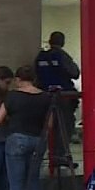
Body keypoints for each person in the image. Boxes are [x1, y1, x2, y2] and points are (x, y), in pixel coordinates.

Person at [0, 66, 53, 190]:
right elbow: (50, 124)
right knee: (33, 186)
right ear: (34, 79)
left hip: (17, 140)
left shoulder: (12, 96)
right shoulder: (46, 97)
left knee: (17, 189)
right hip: (38, 142)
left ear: (19, 80)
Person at [33, 31, 80, 165]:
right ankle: (60, 156)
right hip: (63, 96)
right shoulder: (61, 56)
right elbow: (75, 73)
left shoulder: (41, 57)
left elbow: (36, 74)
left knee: (48, 126)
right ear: (62, 42)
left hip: (45, 96)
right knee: (65, 125)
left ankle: (48, 155)